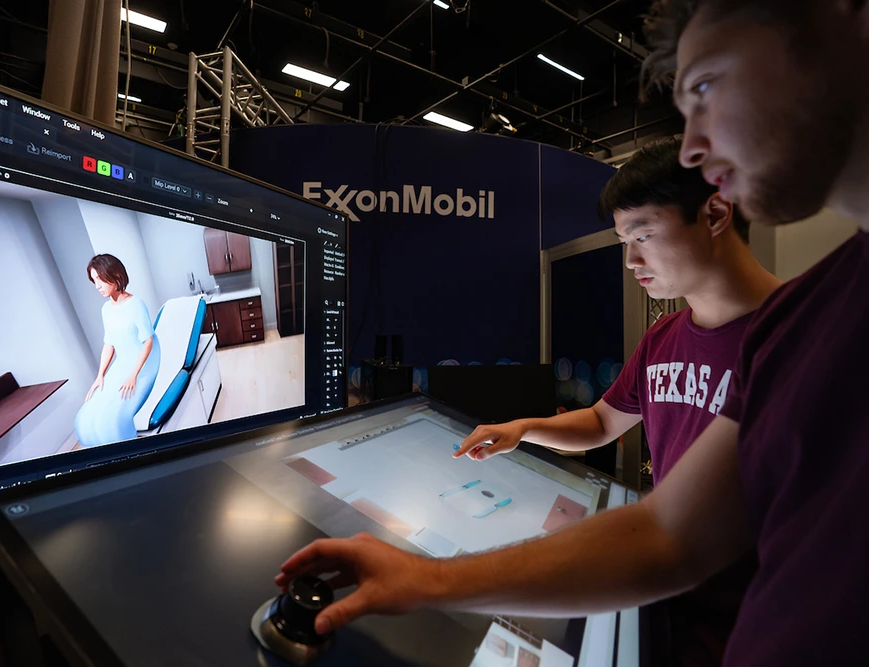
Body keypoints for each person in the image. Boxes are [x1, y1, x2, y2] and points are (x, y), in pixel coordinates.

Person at [275, 1, 869, 664]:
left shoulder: (784, 324)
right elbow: (666, 531)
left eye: (706, 87)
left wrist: (434, 580)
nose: (697, 145)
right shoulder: (800, 323)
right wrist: (437, 562)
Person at [453, 135, 779, 665]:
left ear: (716, 213)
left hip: (757, 626)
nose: (630, 260)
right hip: (677, 604)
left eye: (643, 235)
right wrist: (523, 428)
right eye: (624, 240)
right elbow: (603, 422)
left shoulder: (800, 334)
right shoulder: (664, 335)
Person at [74, 254, 160, 447]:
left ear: (115, 275)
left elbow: (148, 342)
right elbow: (109, 344)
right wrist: (100, 375)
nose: (97, 286)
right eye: (93, 280)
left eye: (100, 279)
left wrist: (133, 375)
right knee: (85, 419)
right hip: (123, 362)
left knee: (113, 419)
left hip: (145, 361)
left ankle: (131, 455)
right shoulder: (106, 309)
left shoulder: (136, 304)